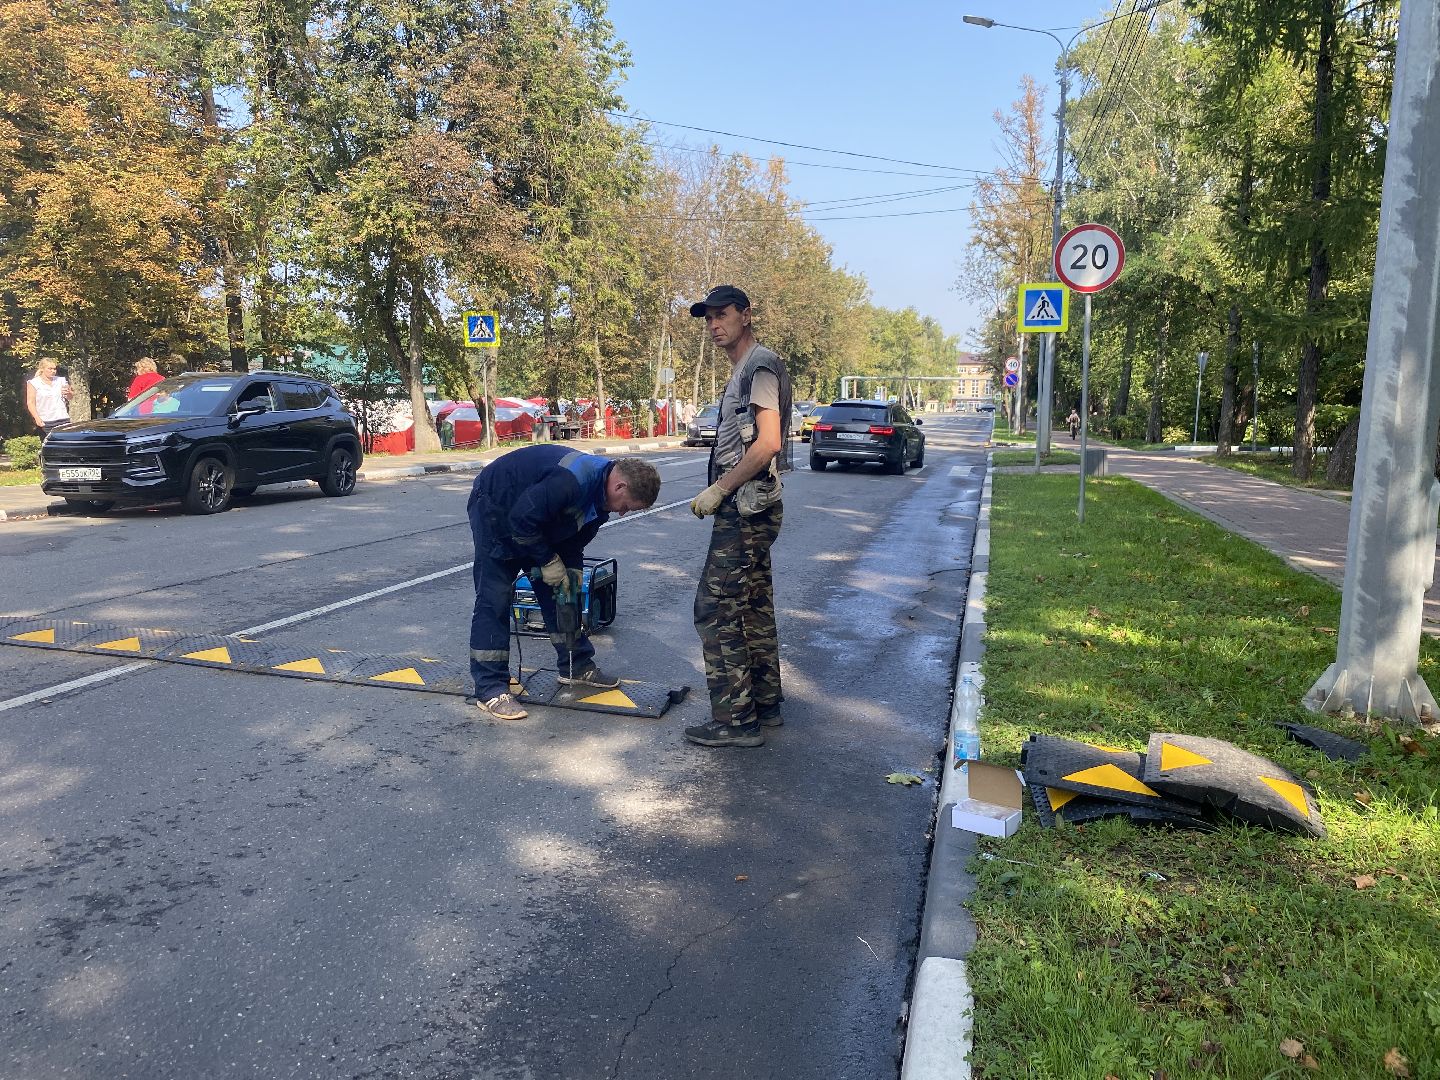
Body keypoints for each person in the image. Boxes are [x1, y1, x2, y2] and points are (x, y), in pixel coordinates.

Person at [467, 445, 662, 721]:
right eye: (627, 506)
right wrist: (546, 561)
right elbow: (521, 521)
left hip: (534, 519)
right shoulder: (570, 481)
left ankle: (576, 665)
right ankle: (490, 688)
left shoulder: (601, 499)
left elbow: (572, 538)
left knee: (565, 590)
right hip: (497, 508)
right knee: (494, 598)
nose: (623, 513)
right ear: (619, 486)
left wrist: (569, 574)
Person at [685, 284, 793, 749]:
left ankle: (735, 720)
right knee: (751, 606)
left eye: (722, 314)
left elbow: (768, 442)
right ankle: (764, 704)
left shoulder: (760, 366)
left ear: (746, 315)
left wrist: (720, 488)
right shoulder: (743, 371)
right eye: (708, 317)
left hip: (745, 508)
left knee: (714, 608)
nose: (714, 324)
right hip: (751, 507)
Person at [26, 360, 72, 433]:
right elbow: (30, 403)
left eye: (54, 369)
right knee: (49, 444)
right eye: (50, 369)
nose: (53, 371)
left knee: (66, 443)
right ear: (42, 369)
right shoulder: (34, 383)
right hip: (45, 421)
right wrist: (37, 418)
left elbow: (70, 397)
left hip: (63, 418)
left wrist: (69, 393)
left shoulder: (61, 380)